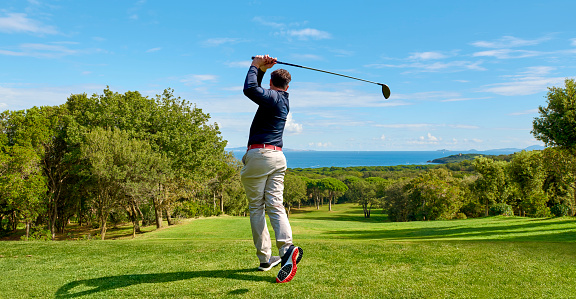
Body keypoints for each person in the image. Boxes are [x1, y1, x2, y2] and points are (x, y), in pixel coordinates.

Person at [241, 54, 303, 283]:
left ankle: (266, 258)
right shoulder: (283, 98)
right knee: (275, 204)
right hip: (278, 157)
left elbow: (250, 89)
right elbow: (258, 89)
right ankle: (287, 250)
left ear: (272, 84)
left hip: (260, 155)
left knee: (257, 207)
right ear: (289, 86)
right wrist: (264, 69)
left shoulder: (274, 97)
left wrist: (255, 65)